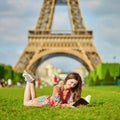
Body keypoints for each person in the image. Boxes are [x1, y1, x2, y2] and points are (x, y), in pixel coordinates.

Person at [23, 70, 89, 107]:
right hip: (44, 102)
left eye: (74, 84)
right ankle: (29, 81)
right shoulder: (58, 87)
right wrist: (68, 105)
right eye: (71, 82)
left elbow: (72, 102)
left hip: (46, 101)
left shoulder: (71, 91)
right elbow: (56, 104)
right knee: (26, 103)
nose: (72, 85)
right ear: (67, 79)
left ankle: (31, 81)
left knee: (33, 99)